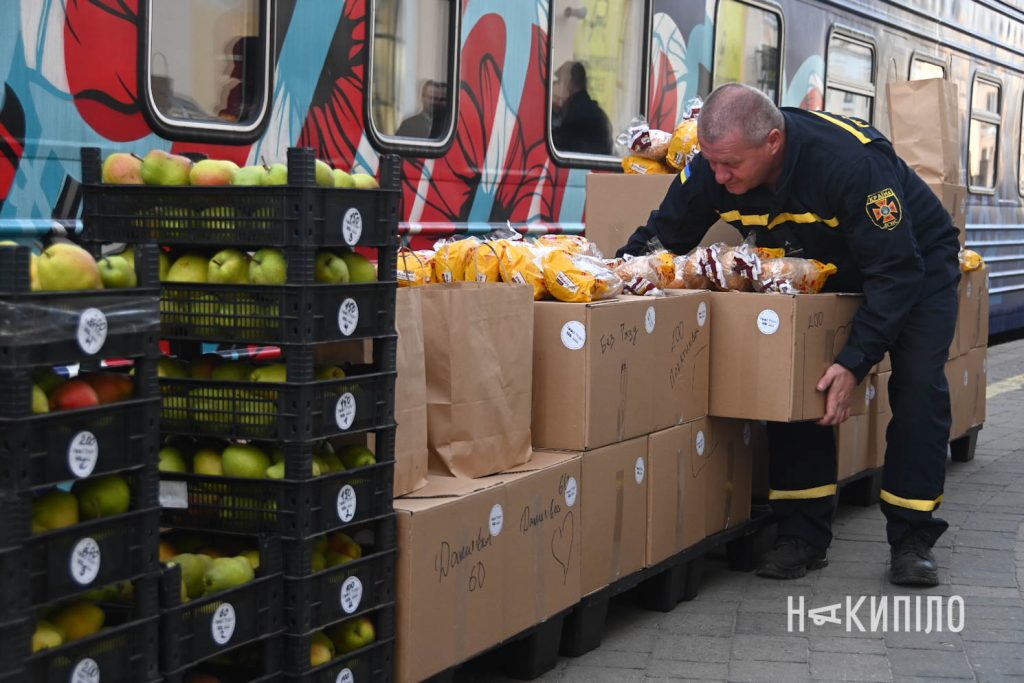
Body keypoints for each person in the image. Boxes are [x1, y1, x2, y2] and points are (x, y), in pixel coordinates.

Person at [619, 83, 961, 586]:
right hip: (822, 267)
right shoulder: (712, 168)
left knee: (916, 387)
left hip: (913, 263)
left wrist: (855, 360)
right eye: (712, 163)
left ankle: (912, 537)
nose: (719, 176)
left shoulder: (849, 165)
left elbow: (895, 272)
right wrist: (612, 279)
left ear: (773, 142)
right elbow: (661, 239)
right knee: (795, 377)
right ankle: (802, 534)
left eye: (731, 165)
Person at [552, 61, 613, 154]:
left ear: (570, 84)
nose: (554, 85)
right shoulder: (589, 109)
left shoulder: (577, 112)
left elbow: (559, 143)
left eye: (559, 81)